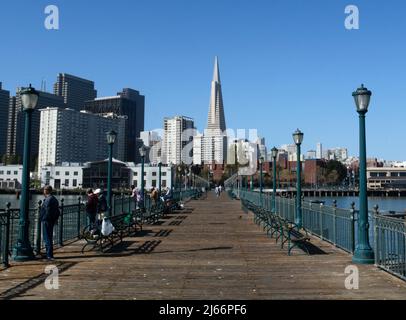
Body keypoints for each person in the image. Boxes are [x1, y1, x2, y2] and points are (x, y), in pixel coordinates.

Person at [40, 186, 60, 261]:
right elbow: (57, 211)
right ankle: (49, 254)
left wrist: (43, 218)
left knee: (47, 238)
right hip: (51, 220)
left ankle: (49, 255)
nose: (43, 191)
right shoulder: (54, 199)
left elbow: (47, 210)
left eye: (44, 190)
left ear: (47, 191)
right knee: (49, 237)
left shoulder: (48, 199)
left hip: (47, 220)